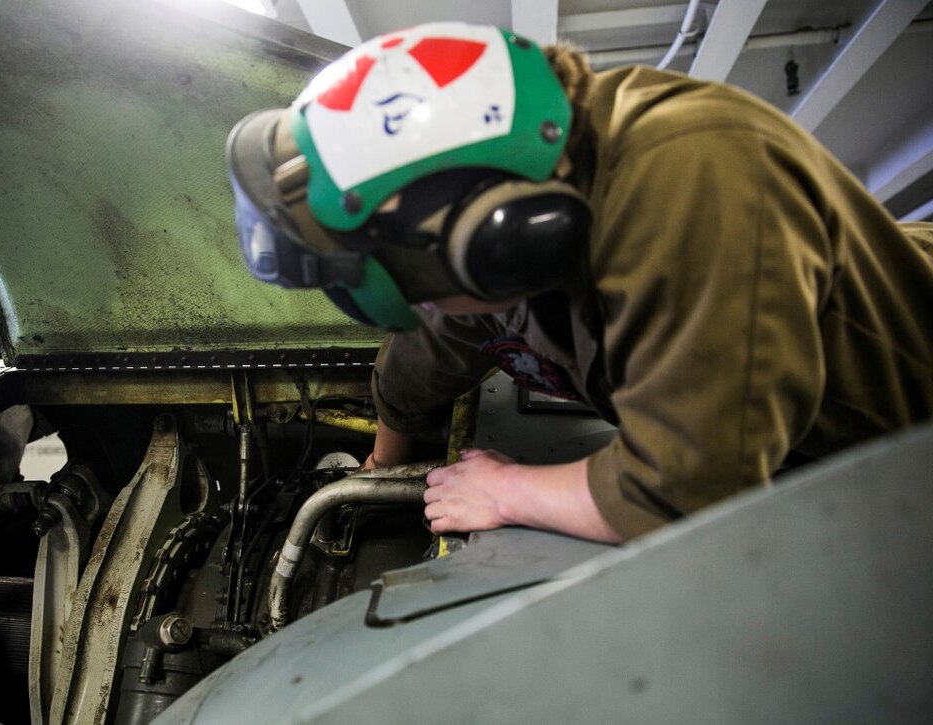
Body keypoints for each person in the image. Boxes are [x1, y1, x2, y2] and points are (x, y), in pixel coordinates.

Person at [226, 21, 933, 543]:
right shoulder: (522, 178)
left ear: (501, 241)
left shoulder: (697, 188)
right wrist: (377, 464)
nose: (428, 309)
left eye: (420, 289)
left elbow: (686, 494)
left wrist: (506, 489)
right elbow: (435, 346)